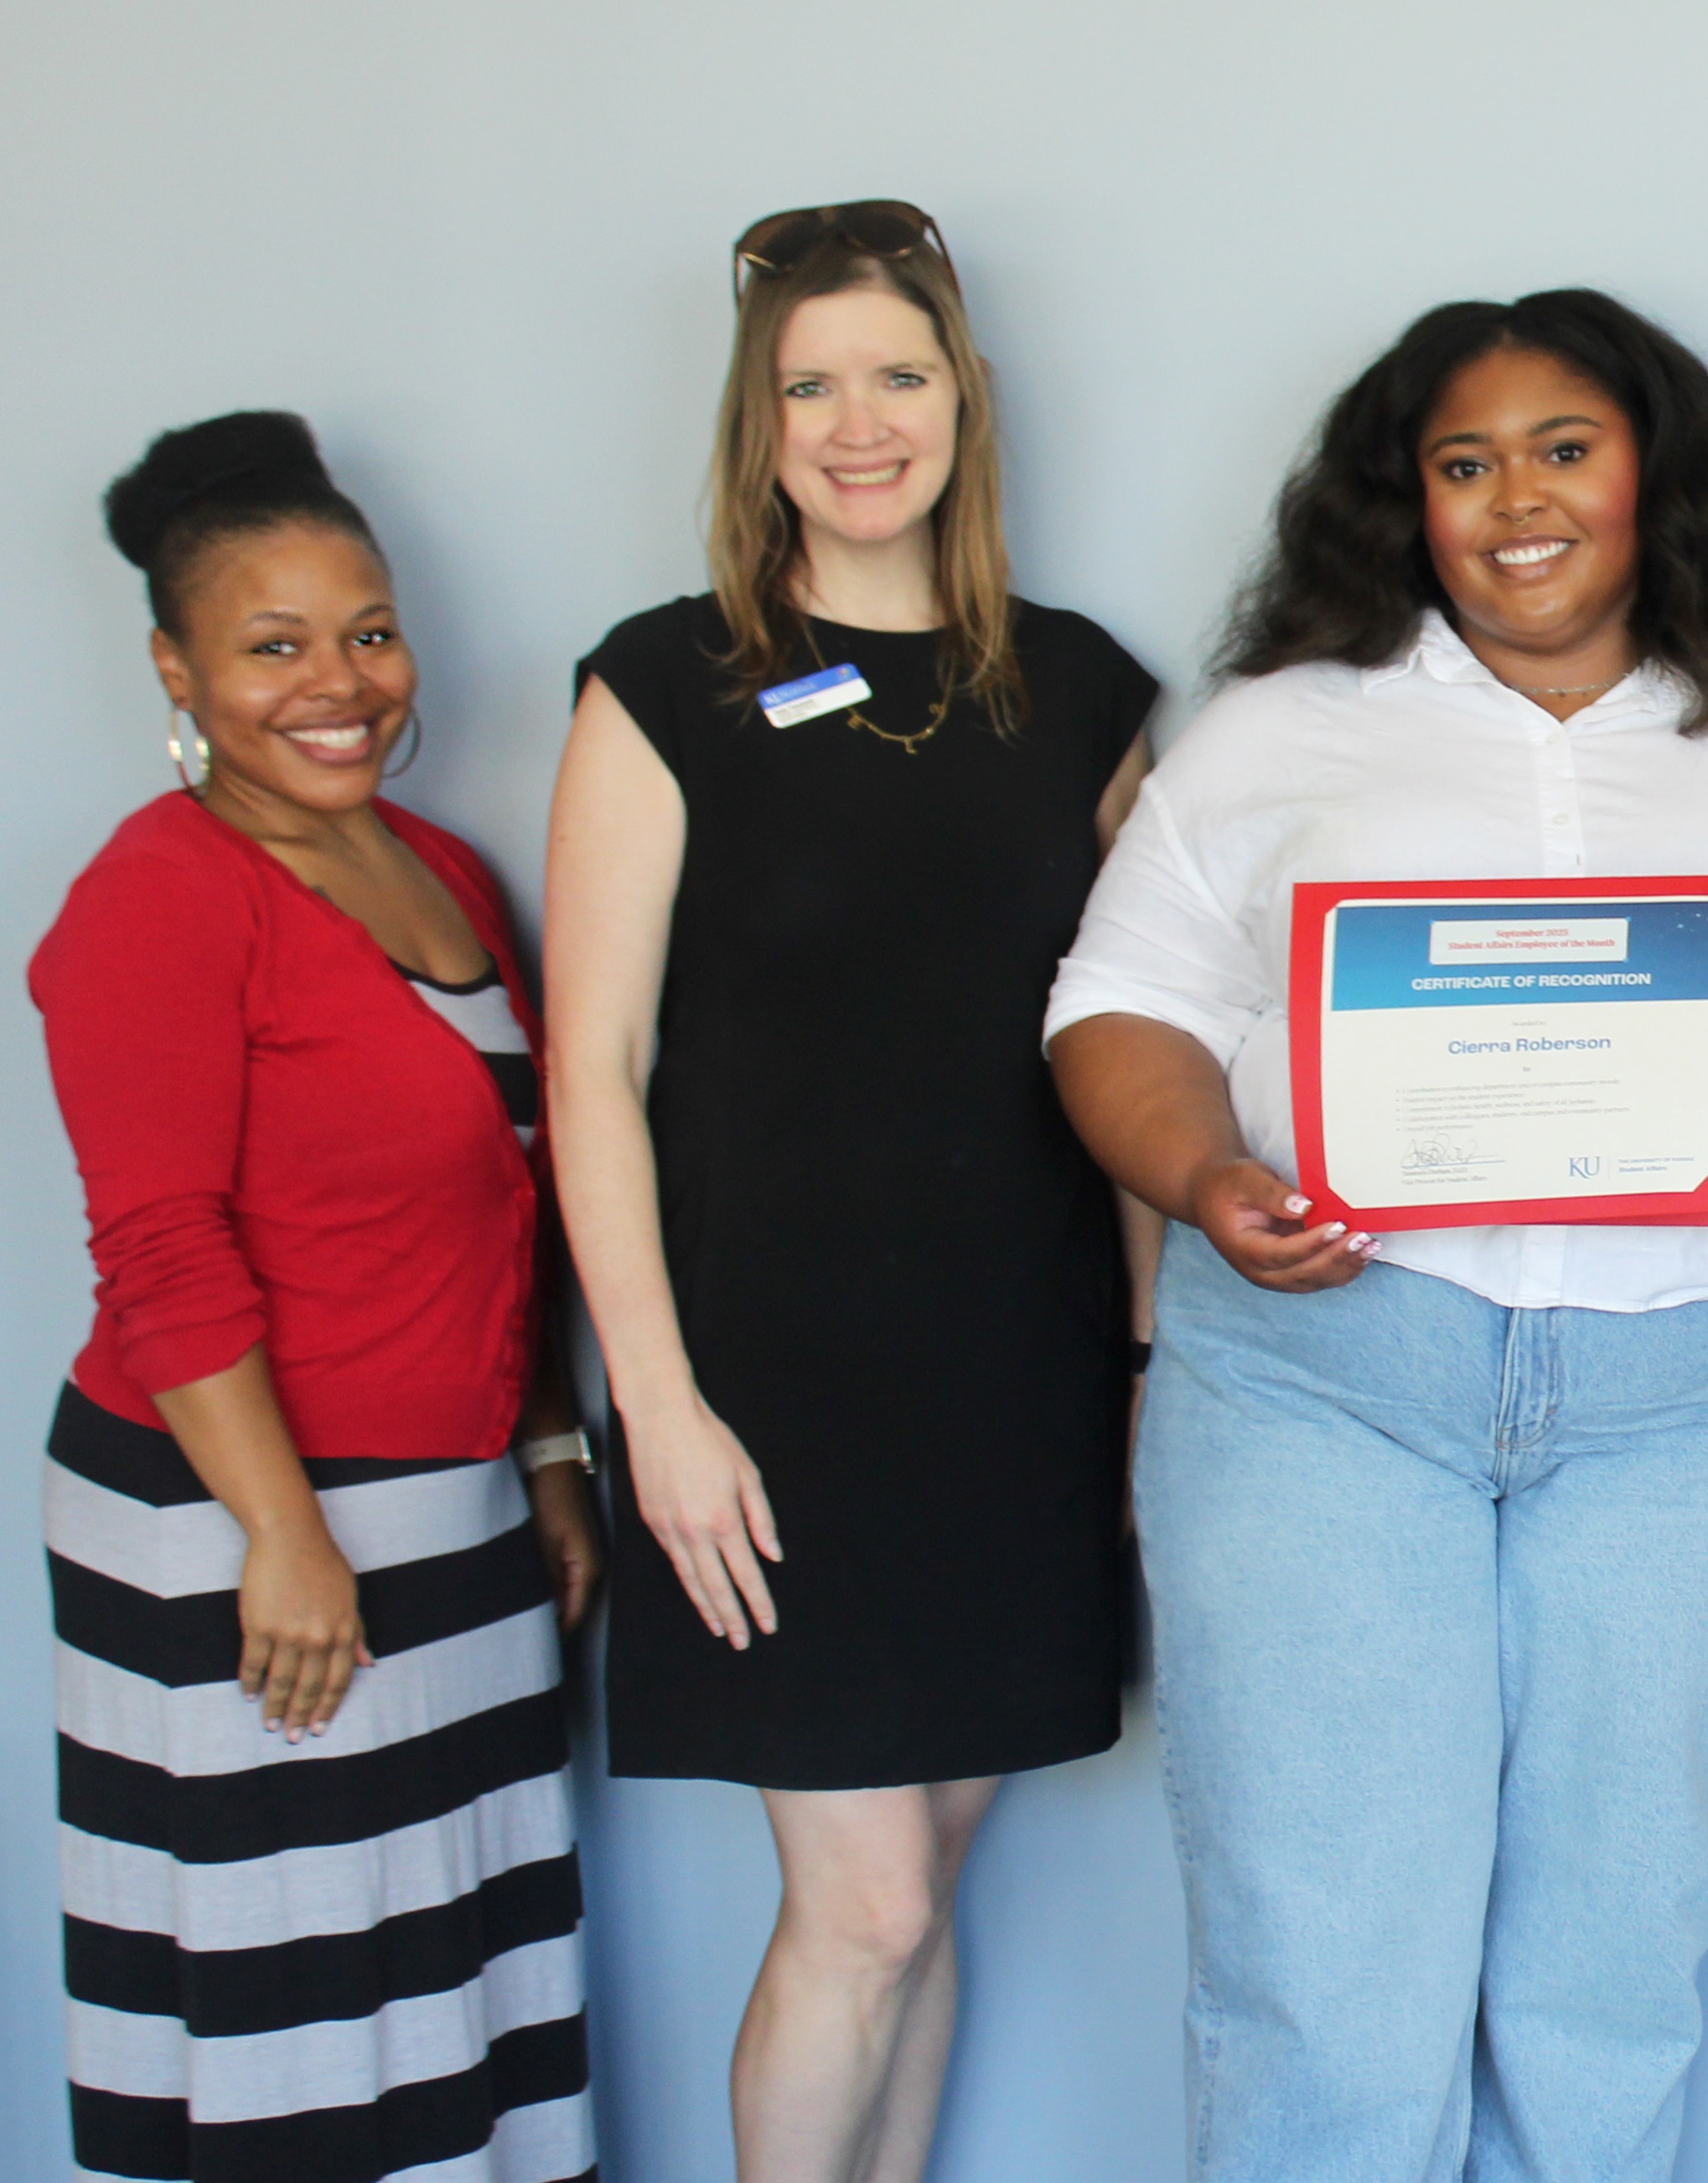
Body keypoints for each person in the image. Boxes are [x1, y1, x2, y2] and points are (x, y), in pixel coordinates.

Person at [1045, 287, 1708, 2183]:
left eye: (1564, 450)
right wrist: (1204, 1177)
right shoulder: (1276, 732)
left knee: (1608, 1975)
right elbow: (1117, 1008)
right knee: (1323, 1971)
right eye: (1464, 464)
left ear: (1655, 473)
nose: (1517, 501)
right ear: (1405, 502)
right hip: (1321, 1388)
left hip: (1684, 1416)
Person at [542, 201, 1160, 2182]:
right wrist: (655, 1406)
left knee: (927, 1886)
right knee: (866, 1905)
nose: (859, 423)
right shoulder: (663, 684)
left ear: (962, 401)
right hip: (768, 1398)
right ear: (762, 424)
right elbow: (589, 1069)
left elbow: (1141, 1047)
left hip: (1019, 1380)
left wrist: (1147, 1372)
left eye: (896, 375)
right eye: (811, 387)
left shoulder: (1083, 693)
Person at [32, 411, 603, 2183]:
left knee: (457, 1981)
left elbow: (506, 1205)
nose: (337, 684)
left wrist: (549, 1457)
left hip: (452, 1513)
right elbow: (160, 1248)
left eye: (367, 632)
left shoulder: (440, 869)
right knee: (304, 2005)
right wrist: (282, 1536)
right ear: (177, 670)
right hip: (239, 1519)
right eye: (271, 646)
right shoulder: (158, 896)